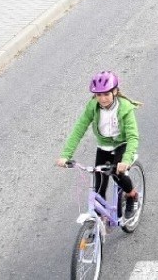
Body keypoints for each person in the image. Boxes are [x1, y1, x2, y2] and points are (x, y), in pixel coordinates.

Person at [56, 71, 141, 219]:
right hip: (104, 147)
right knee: (99, 184)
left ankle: (132, 195)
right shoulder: (93, 107)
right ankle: (99, 223)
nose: (102, 98)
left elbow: (133, 136)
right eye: (98, 95)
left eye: (106, 94)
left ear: (115, 91)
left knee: (117, 173)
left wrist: (126, 160)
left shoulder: (125, 108)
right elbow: (79, 130)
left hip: (122, 144)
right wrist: (65, 155)